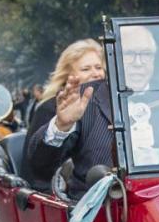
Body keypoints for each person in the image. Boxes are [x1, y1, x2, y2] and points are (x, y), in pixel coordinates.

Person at [29, 25, 159, 196]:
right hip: (103, 213)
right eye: (129, 54)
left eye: (146, 54)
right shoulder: (83, 98)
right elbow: (40, 167)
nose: (139, 62)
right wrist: (61, 126)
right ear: (111, 58)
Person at [22, 39, 106, 188]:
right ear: (68, 76)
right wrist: (62, 125)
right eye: (86, 69)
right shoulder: (49, 108)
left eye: (99, 67)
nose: (95, 74)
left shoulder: (112, 105)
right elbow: (39, 168)